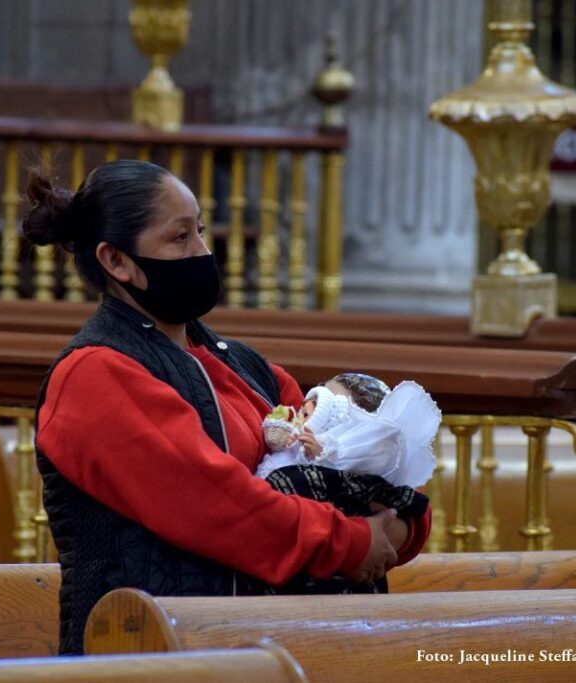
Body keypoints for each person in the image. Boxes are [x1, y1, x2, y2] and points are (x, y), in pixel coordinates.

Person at [25, 160, 431, 655]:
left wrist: (401, 521)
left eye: (199, 231)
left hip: (270, 642)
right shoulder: (95, 374)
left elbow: (351, 458)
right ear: (116, 261)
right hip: (154, 649)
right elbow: (218, 506)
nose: (202, 252)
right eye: (179, 239)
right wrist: (351, 542)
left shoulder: (246, 366)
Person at [254, 372, 439, 595]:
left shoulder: (351, 479)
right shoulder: (293, 453)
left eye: (327, 406)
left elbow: (411, 509)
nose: (308, 407)